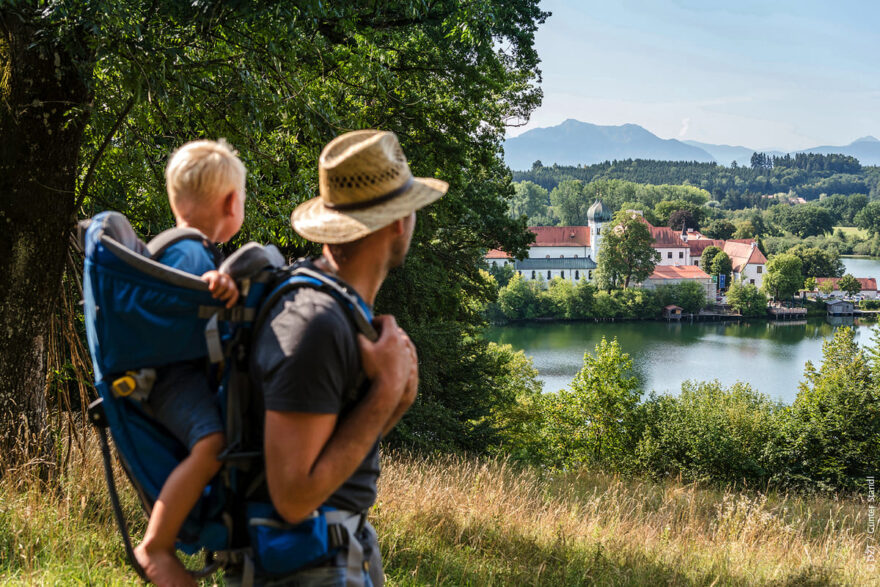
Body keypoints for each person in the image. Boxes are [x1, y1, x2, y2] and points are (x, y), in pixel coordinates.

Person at [251, 129, 447, 586]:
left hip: (337, 550)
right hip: (308, 566)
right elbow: (294, 497)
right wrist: (382, 393)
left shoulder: (335, 306)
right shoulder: (315, 325)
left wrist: (395, 395)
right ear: (398, 222)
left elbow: (334, 451)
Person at [133, 139, 246, 587]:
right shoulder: (191, 252)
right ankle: (156, 543)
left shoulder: (178, 243)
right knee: (213, 442)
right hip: (170, 379)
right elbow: (180, 296)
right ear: (231, 203)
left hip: (171, 374)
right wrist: (214, 287)